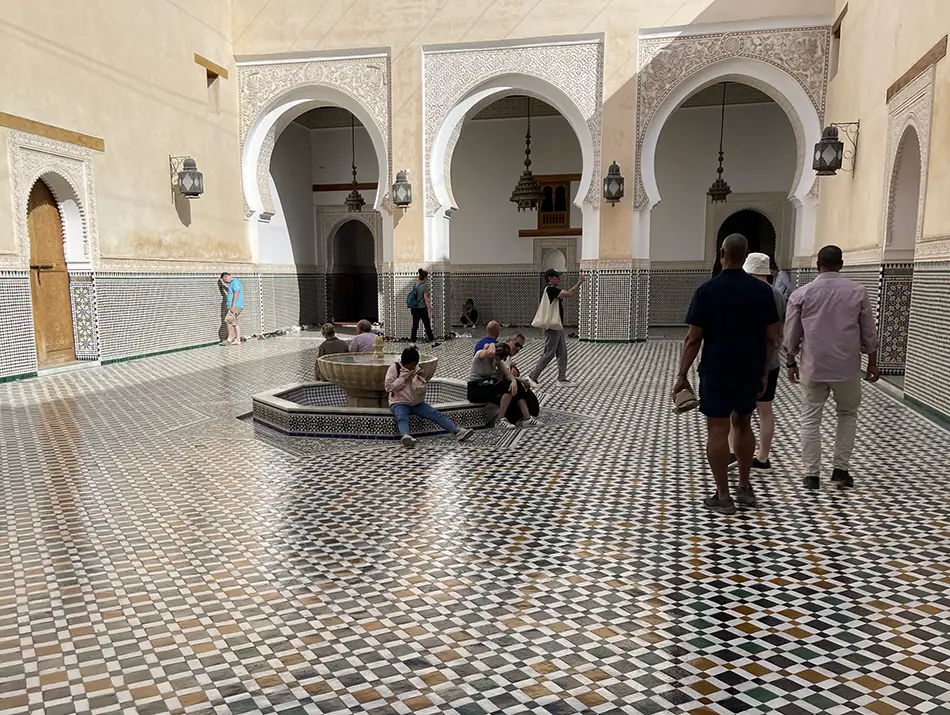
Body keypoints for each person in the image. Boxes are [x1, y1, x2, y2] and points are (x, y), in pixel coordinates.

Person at [672, 234, 780, 515]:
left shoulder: (707, 290)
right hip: (750, 370)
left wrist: (682, 374)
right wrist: (765, 371)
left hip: (717, 369)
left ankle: (723, 495)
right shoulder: (762, 292)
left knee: (718, 430)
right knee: (743, 424)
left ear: (722, 253)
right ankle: (745, 485)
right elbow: (772, 337)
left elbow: (693, 339)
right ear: (745, 255)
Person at [785, 245, 880, 490]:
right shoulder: (858, 292)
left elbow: (792, 334)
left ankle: (811, 475)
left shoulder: (802, 294)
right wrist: (872, 360)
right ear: (841, 264)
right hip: (846, 368)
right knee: (847, 415)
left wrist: (791, 360)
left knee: (810, 419)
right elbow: (869, 331)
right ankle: (840, 469)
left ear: (818, 265)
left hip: (813, 367)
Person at [727, 253, 786, 473]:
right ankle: (762, 457)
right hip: (771, 362)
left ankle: (734, 452)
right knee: (765, 411)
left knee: (739, 412)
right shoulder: (779, 295)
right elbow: (781, 331)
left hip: (745, 361)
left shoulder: (745, 292)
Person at [385, 347, 474, 448]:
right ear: (409, 362)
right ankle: (406, 436)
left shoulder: (416, 368)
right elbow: (388, 387)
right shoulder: (395, 368)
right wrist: (404, 378)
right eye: (413, 364)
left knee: (435, 414)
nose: (415, 366)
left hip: (416, 403)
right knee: (401, 417)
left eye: (416, 364)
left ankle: (458, 431)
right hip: (399, 402)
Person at [528, 269, 584, 387]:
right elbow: (569, 294)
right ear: (550, 278)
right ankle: (532, 376)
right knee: (549, 353)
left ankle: (562, 378)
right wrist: (579, 282)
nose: (559, 279)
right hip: (552, 327)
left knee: (562, 352)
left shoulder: (552, 290)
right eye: (556, 277)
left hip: (557, 326)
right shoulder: (550, 289)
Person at [467, 341, 539, 429]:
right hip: (475, 388)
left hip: (488, 385)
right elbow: (491, 352)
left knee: (516, 385)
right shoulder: (481, 355)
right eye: (500, 358)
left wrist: (513, 381)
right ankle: (499, 419)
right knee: (507, 387)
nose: (501, 360)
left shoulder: (496, 360)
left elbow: (508, 374)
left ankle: (526, 419)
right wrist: (492, 344)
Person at [407, 268, 439, 346]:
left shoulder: (415, 285)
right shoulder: (424, 286)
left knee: (415, 325)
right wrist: (430, 309)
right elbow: (426, 299)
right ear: (424, 277)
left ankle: (412, 343)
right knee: (427, 325)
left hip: (414, 308)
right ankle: (433, 342)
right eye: (427, 277)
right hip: (421, 309)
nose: (427, 279)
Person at [219, 273, 244, 345]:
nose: (225, 282)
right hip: (236, 305)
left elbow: (236, 293)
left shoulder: (235, 282)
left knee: (228, 320)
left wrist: (232, 306)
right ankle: (238, 340)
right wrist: (223, 287)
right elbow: (230, 292)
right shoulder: (232, 283)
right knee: (235, 323)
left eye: (224, 280)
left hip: (235, 306)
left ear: (226, 277)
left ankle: (229, 338)